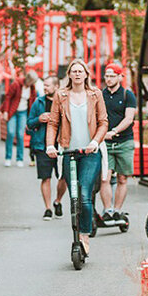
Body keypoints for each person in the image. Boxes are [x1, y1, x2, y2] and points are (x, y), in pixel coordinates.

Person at [46, 59, 109, 255]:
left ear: (86, 74)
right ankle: (77, 230)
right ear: (69, 75)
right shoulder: (61, 95)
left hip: (90, 153)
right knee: (73, 196)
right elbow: (53, 123)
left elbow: (103, 122)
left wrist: (95, 142)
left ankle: (84, 235)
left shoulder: (95, 94)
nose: (77, 74)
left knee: (84, 196)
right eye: (73, 71)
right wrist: (50, 144)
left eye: (80, 71)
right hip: (68, 152)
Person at [98, 64, 137, 221]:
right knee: (104, 178)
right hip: (105, 143)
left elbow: (129, 118)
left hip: (124, 141)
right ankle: (107, 210)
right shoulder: (101, 95)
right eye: (106, 76)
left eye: (112, 76)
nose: (108, 79)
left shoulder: (128, 95)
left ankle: (117, 210)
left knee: (122, 178)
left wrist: (114, 131)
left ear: (120, 77)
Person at [27, 75, 66, 220]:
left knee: (64, 177)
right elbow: (29, 123)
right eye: (44, 85)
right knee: (46, 177)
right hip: (42, 145)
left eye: (48, 85)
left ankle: (58, 201)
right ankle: (48, 208)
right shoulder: (38, 102)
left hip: (61, 144)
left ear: (56, 87)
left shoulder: (64, 102)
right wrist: (39, 119)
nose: (45, 88)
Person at [2, 70, 36, 167]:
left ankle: (19, 158)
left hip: (23, 112)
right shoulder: (16, 84)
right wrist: (5, 111)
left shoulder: (32, 88)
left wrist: (31, 116)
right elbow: (8, 97)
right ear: (28, 80)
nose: (33, 84)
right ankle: (8, 157)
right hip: (13, 111)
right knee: (11, 133)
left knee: (21, 134)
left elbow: (32, 102)